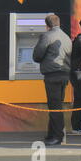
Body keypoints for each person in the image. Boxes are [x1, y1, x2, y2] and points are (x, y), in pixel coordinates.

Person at [32, 14, 72, 146]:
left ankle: (58, 137)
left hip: (52, 75)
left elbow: (37, 56)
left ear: (47, 25)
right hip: (65, 74)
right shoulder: (66, 37)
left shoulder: (47, 36)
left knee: (54, 106)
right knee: (57, 104)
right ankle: (51, 134)